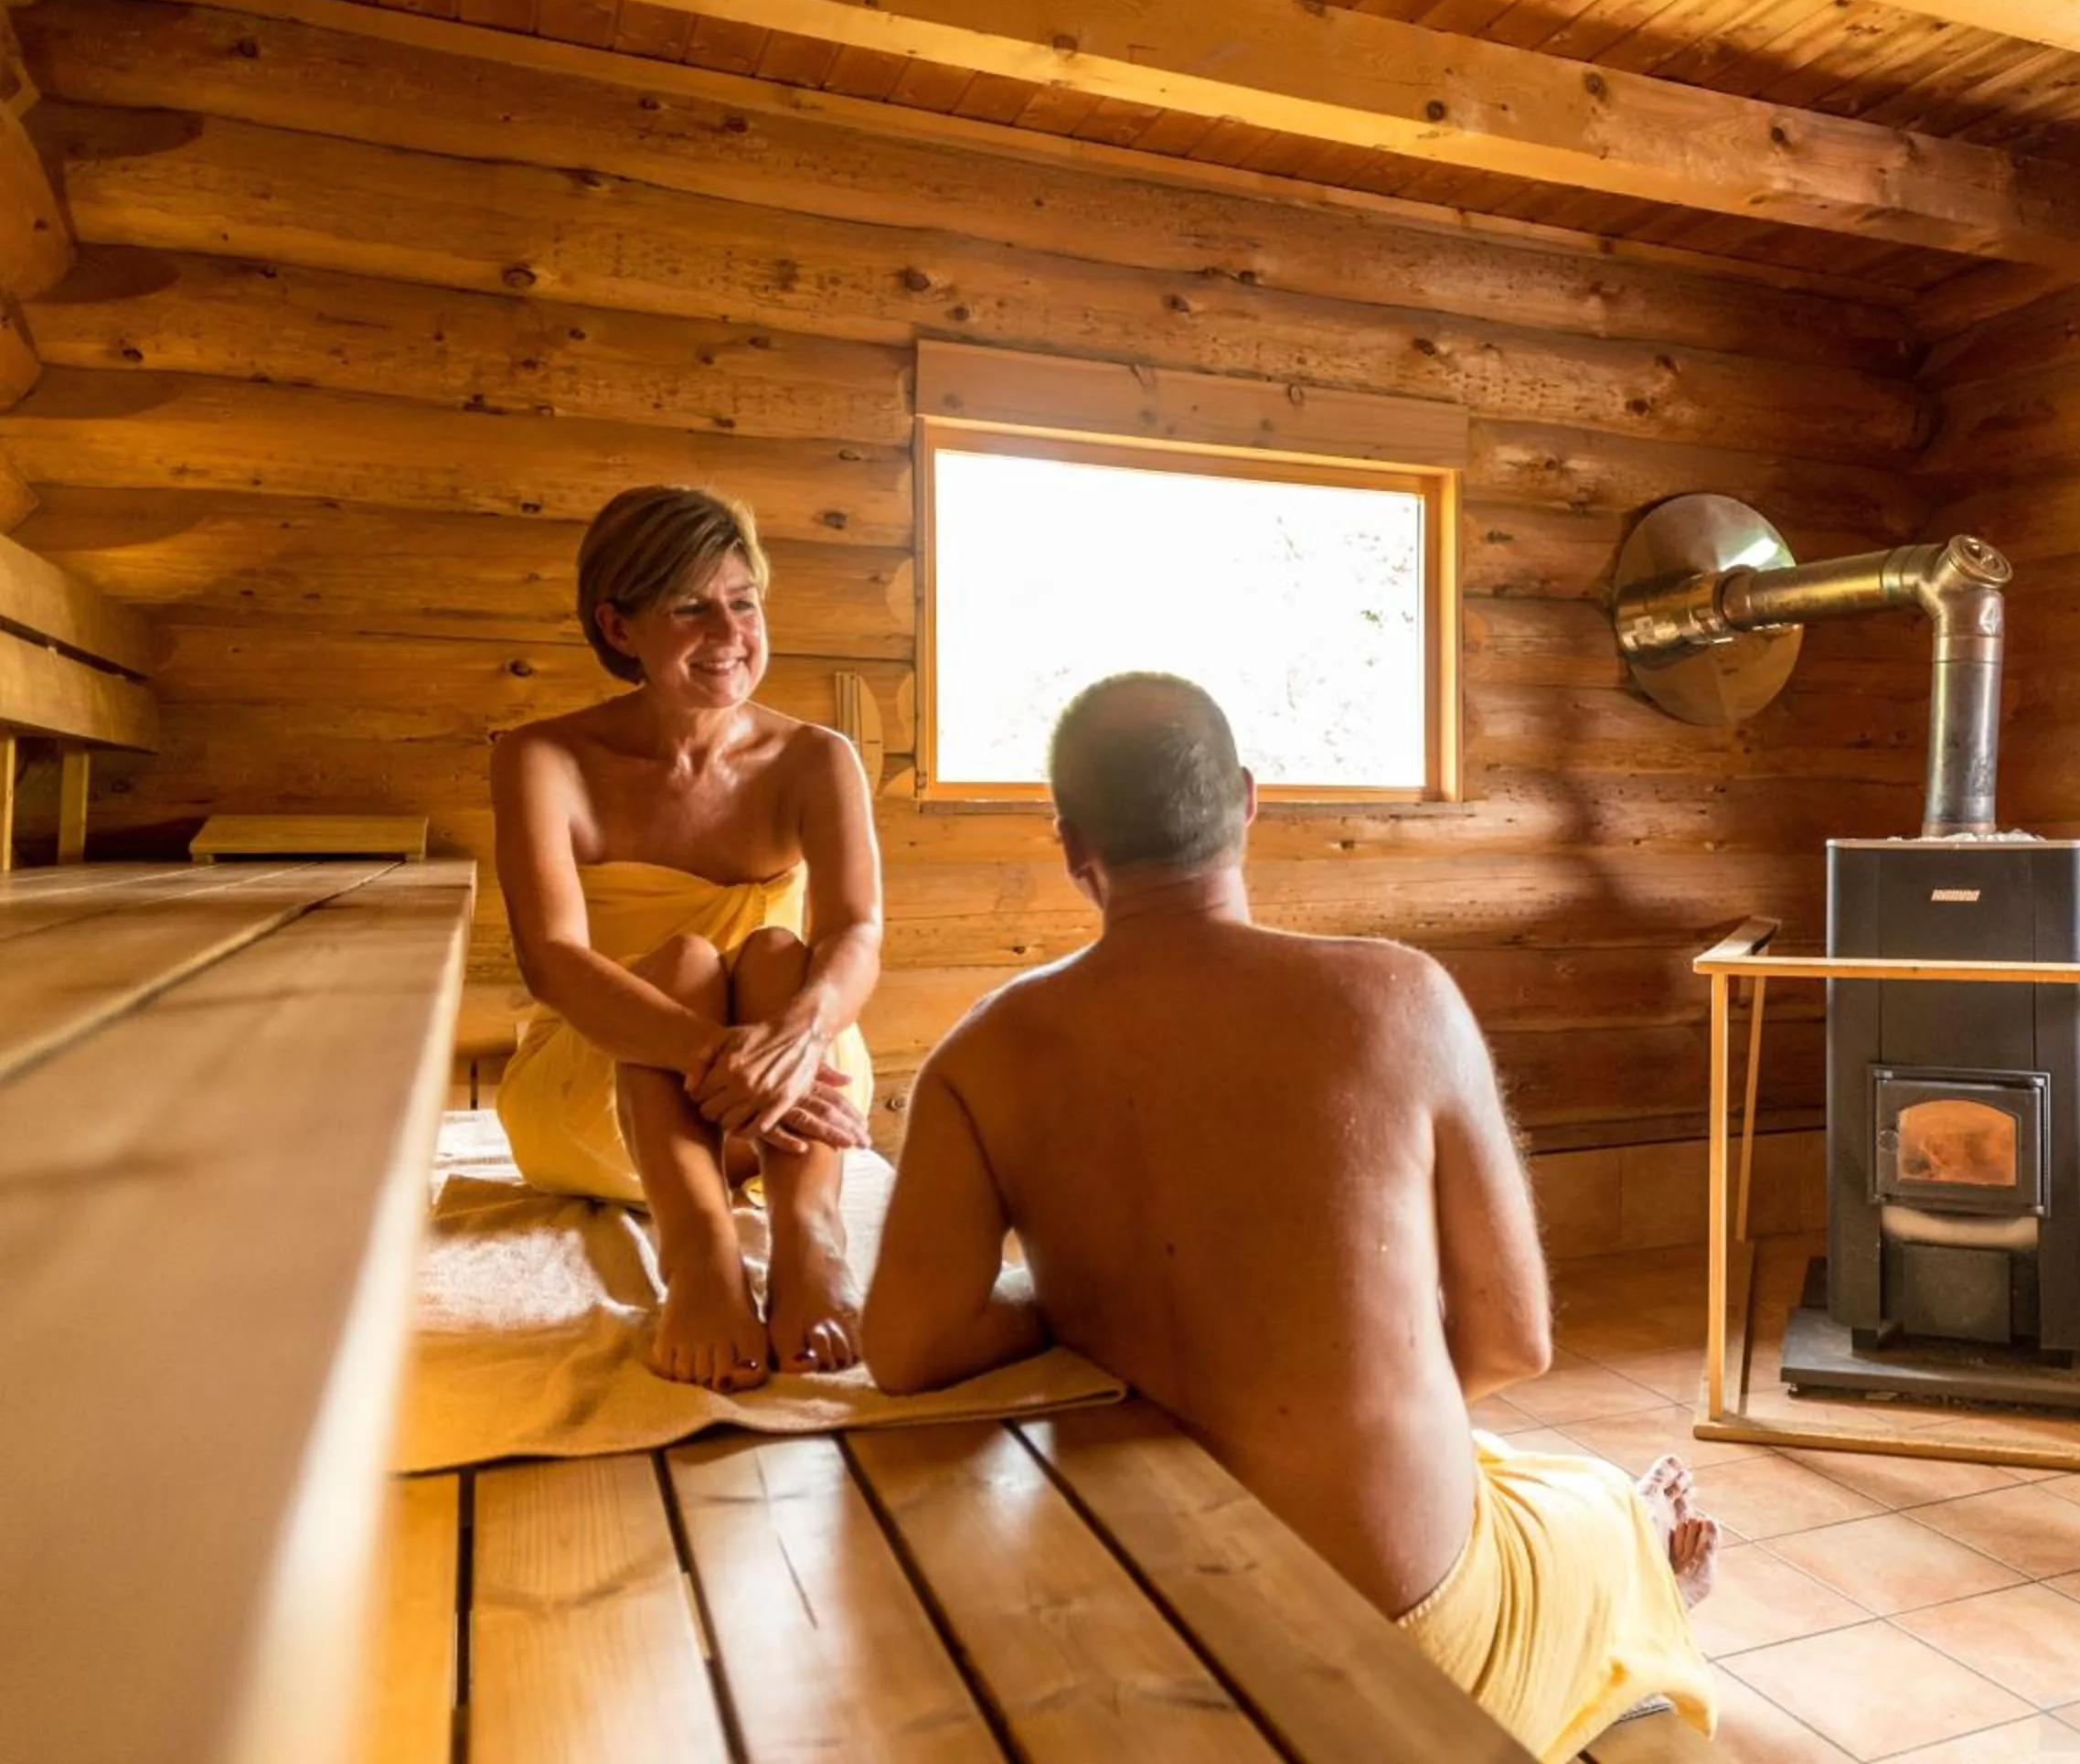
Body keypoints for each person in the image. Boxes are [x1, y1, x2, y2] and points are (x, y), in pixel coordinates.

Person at [860, 672, 1717, 1760]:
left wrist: (1066, 1305)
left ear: (1074, 843)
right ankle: (1643, 1569)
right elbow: (1515, 1338)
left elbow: (904, 1345)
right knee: (1589, 1494)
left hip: (1161, 1624)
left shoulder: (981, 1052)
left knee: (1512, 1466)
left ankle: (1620, 1558)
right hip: (1398, 1641)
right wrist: (1336, 1403)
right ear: (1249, 803)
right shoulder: (1400, 998)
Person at [491, 485, 883, 1391]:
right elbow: (551, 960)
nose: (731, 630)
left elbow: (857, 928)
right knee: (684, 962)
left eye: (743, 601)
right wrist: (721, 1053)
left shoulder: (816, 758)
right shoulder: (542, 758)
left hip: (789, 1087)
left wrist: (798, 1038)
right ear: (620, 628)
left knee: (784, 957)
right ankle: (700, 1249)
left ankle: (809, 1235)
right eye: (691, 606)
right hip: (600, 1096)